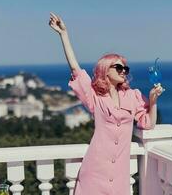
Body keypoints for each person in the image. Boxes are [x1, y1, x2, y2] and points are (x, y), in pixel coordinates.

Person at [49, 12, 164, 195]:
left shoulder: (133, 96)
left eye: (125, 68)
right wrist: (64, 34)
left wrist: (152, 100)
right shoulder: (95, 96)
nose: (123, 71)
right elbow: (76, 69)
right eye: (118, 67)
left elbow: (148, 124)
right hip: (95, 171)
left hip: (120, 175)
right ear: (105, 69)